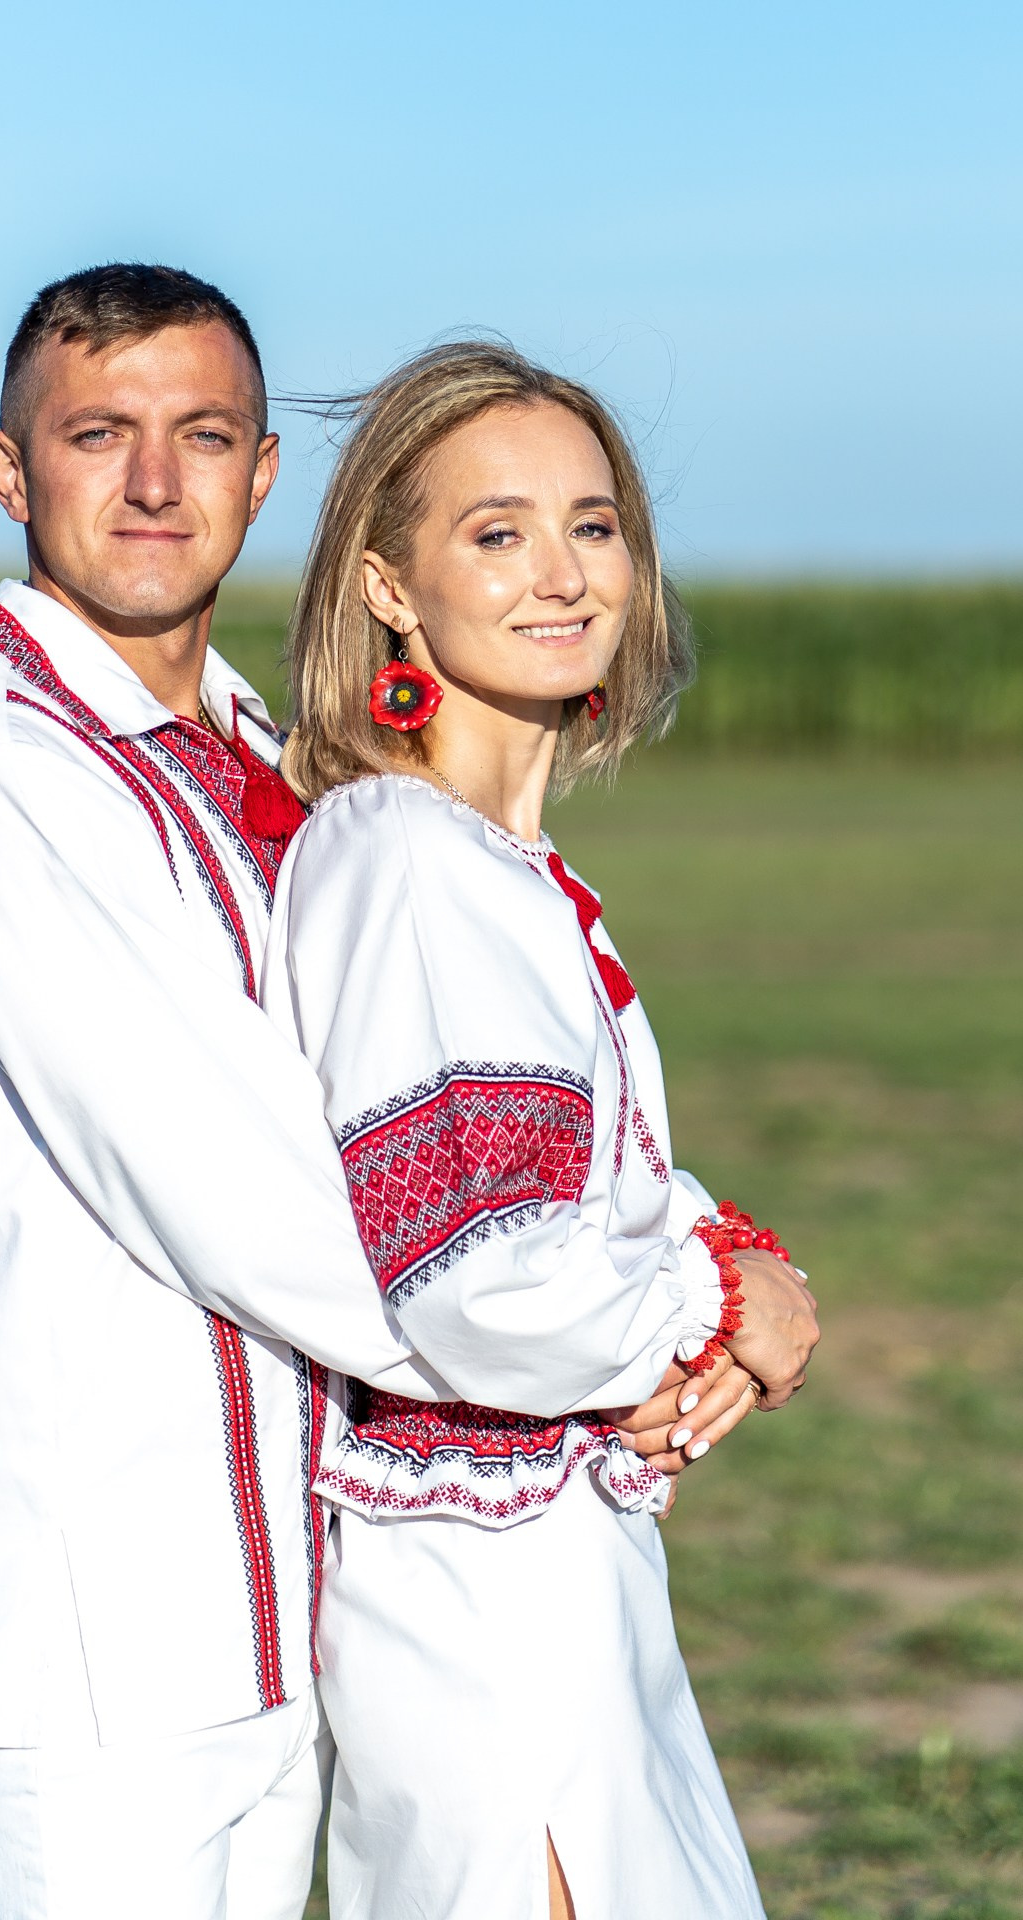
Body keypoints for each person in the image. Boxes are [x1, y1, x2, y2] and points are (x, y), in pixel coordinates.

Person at [0, 263, 811, 1920]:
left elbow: (446, 1132)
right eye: (96, 434)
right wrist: (679, 1315)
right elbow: (285, 1205)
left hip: (283, 1597)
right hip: (95, 1645)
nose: (155, 483)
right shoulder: (7, 781)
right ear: (9, 471)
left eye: (202, 435)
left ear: (262, 474)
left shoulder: (248, 766)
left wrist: (699, 1259)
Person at [262, 340, 820, 1919]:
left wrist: (728, 1273)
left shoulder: (500, 868)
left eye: (594, 523)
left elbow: (595, 1191)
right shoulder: (406, 861)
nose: (563, 574)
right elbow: (481, 1280)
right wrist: (724, 1305)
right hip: (486, 1600)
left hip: (561, 1560)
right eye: (495, 534)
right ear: (387, 585)